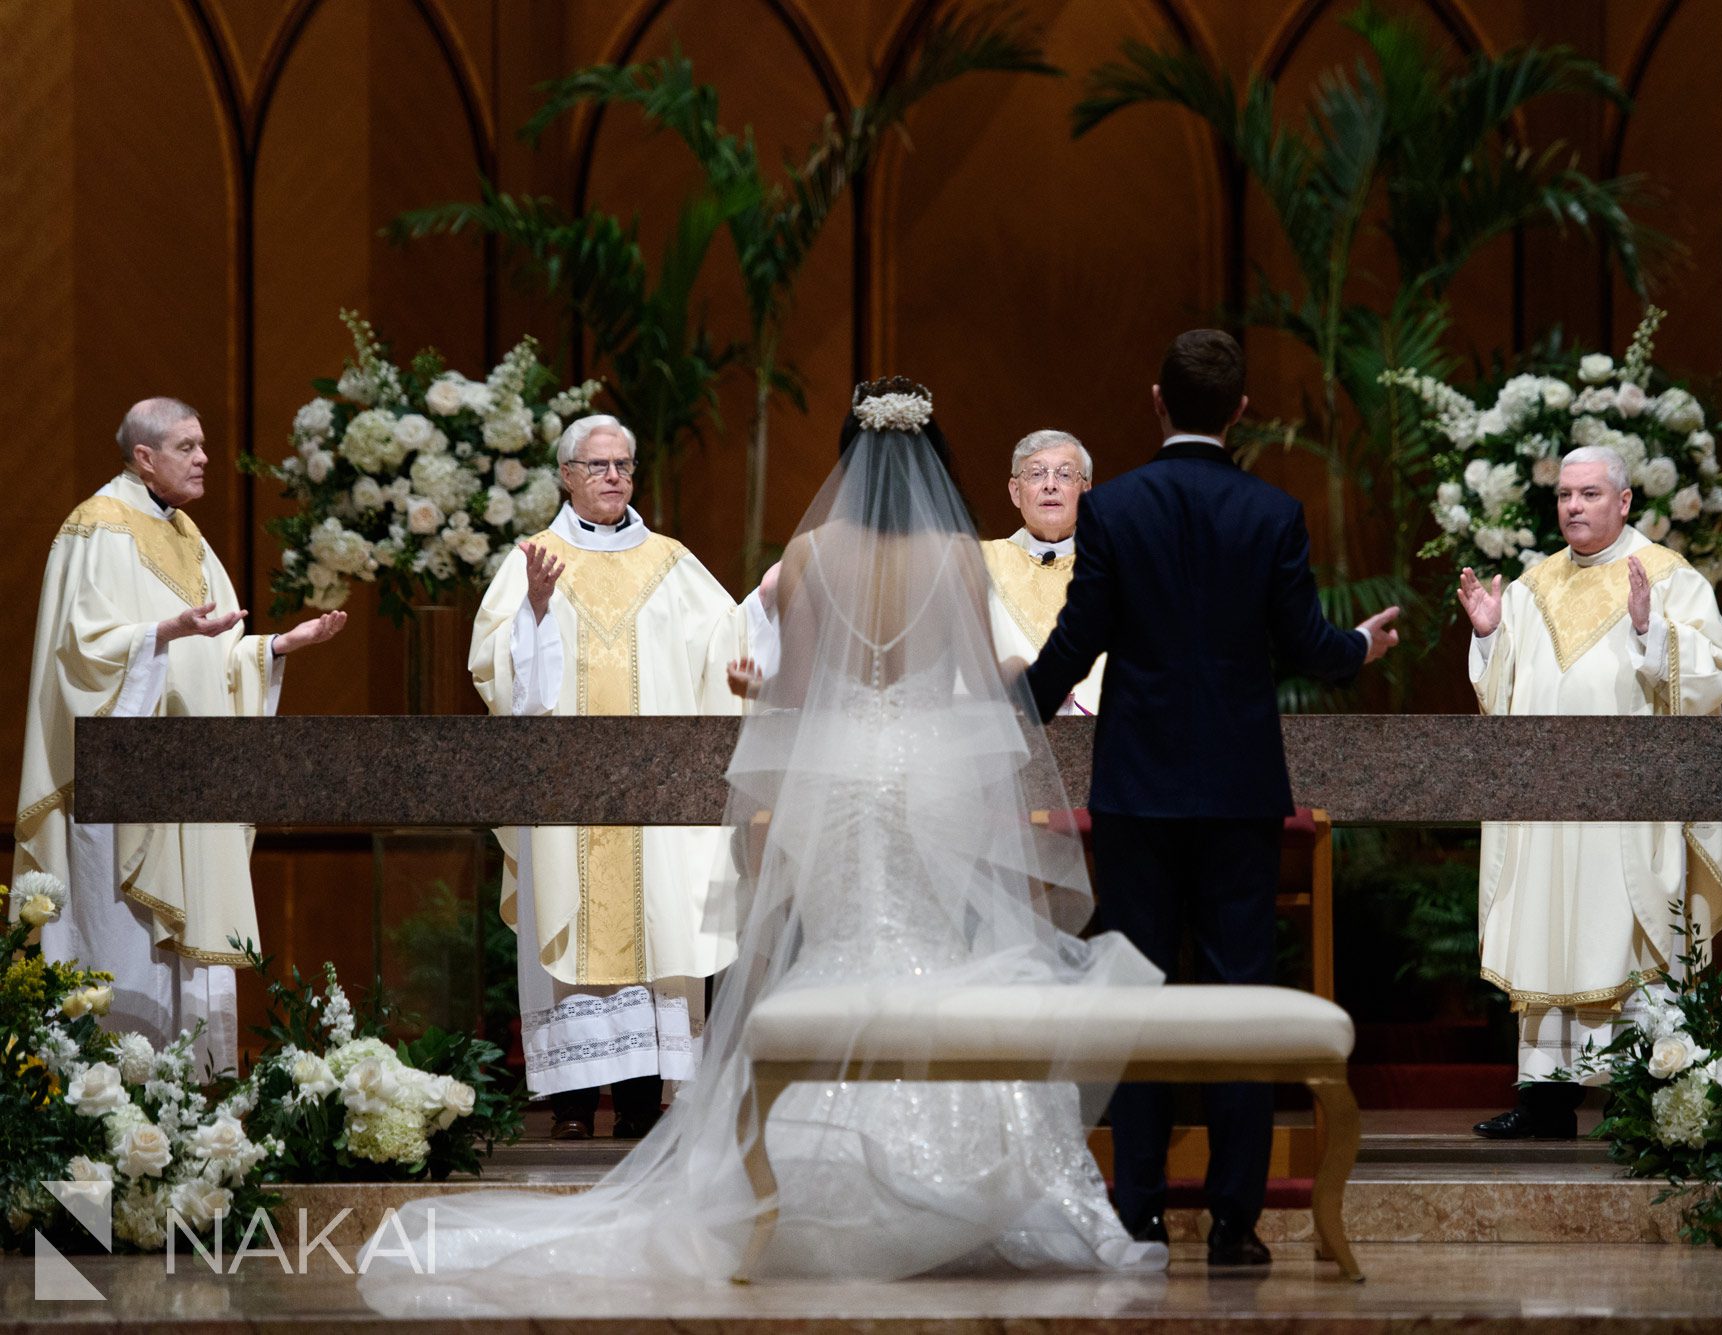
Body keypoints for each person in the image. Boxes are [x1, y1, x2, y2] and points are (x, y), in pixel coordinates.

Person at [360, 379, 1164, 1312]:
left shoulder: (813, 552)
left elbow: (792, 695)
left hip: (846, 776)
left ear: (849, 457)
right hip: (935, 773)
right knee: (937, 950)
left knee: (840, 951)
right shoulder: (959, 553)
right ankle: (961, 1179)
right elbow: (987, 681)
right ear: (934, 459)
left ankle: (796, 1184)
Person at [1025, 330, 1400, 1266]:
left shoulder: (1113, 509)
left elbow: (1079, 638)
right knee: (1242, 993)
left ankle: (1140, 1206)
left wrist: (1009, 708)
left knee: (1134, 996)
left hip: (1139, 791)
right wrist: (1360, 646)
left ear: (1158, 399)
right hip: (1238, 792)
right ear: (1240, 410)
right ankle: (1236, 1220)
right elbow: (1308, 644)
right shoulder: (1272, 509)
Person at [13, 398, 346, 1074]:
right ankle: (111, 1095)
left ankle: (187, 1093)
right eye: (187, 446)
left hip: (188, 778)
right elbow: (78, 653)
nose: (202, 458)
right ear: (144, 456)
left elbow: (214, 661)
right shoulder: (97, 527)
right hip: (119, 785)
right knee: (123, 940)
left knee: (184, 969)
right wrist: (159, 635)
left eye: (202, 445)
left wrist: (277, 645)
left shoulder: (188, 534)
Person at [470, 414, 751, 1140]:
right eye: (597, 466)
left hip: (651, 796)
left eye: (623, 464)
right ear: (565, 474)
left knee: (659, 926)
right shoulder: (531, 558)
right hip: (566, 792)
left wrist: (760, 643)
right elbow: (499, 673)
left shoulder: (671, 561)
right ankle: (569, 1105)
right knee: (568, 920)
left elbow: (728, 640)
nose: (613, 477)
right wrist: (533, 609)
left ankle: (639, 1101)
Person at [1458, 444, 1722, 1139]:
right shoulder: (1530, 586)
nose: (1574, 507)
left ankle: (1642, 1099)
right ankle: (1545, 1100)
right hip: (1547, 806)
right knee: (1545, 930)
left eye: (1589, 494)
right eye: (1564, 495)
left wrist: (1652, 629)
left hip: (1626, 807)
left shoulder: (1669, 577)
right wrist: (1493, 639)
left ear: (1624, 502)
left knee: (1625, 937)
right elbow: (1502, 694)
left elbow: (1719, 669)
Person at [981, 429, 1105, 714]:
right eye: (1036, 474)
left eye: (1064, 475)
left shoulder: (1113, 566)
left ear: (1086, 491)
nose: (1050, 485)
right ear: (1015, 491)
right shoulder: (981, 561)